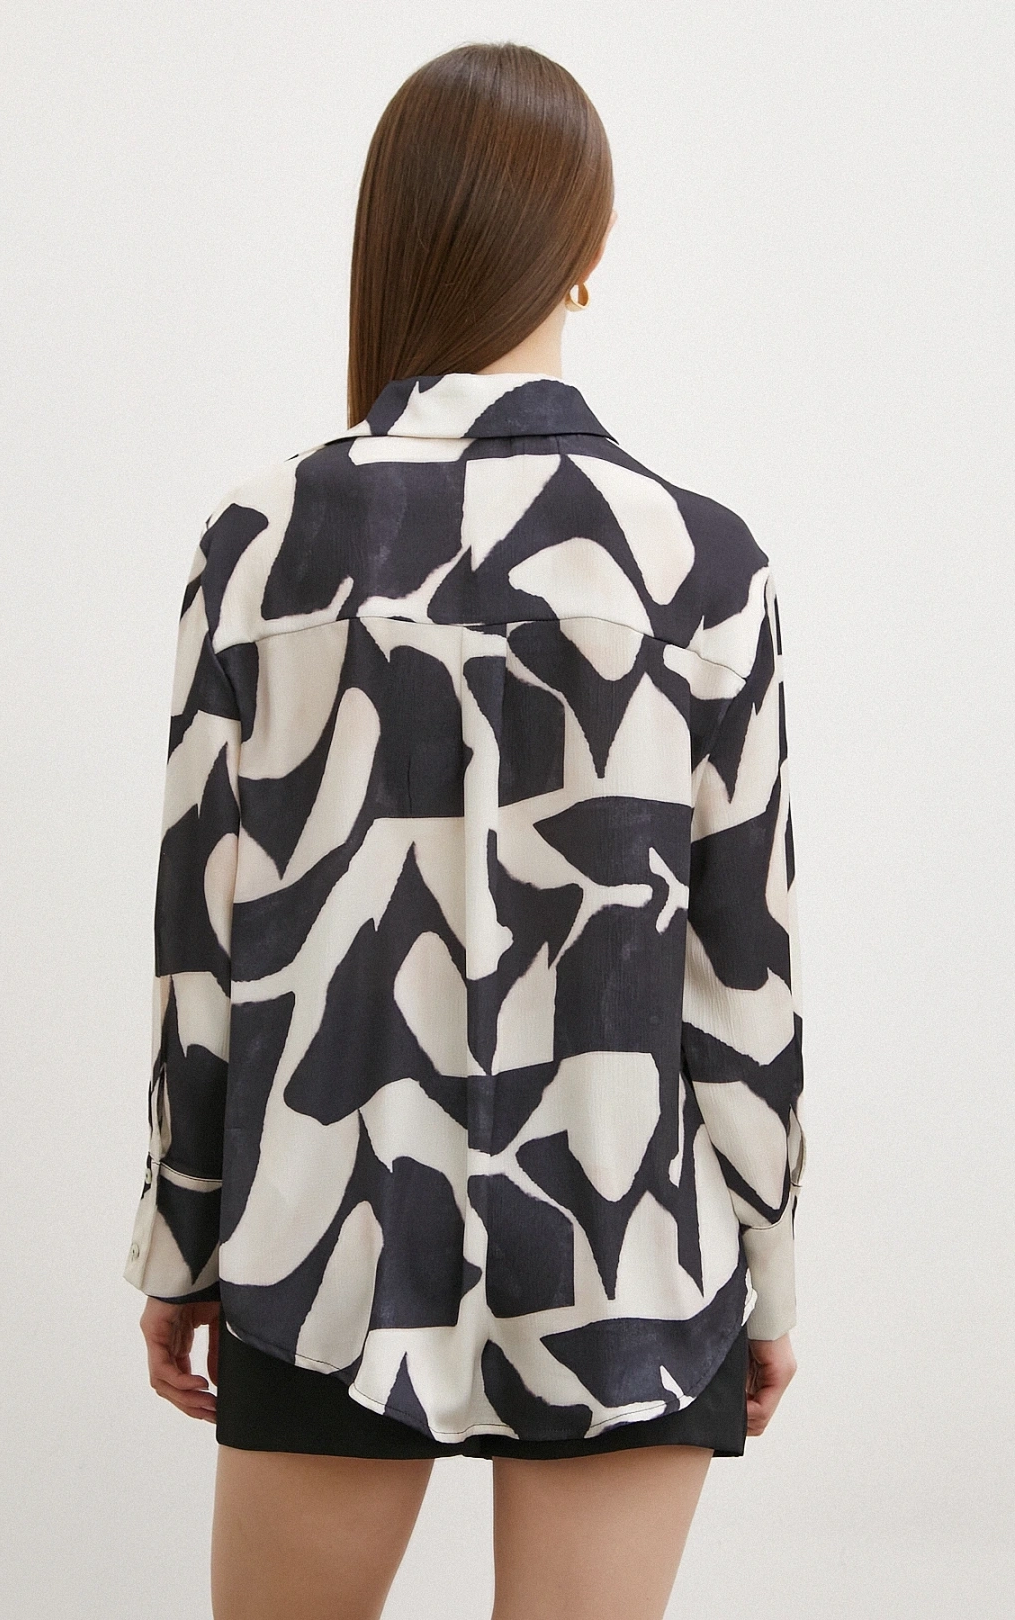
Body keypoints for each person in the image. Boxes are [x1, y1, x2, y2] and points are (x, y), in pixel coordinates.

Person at [123, 40, 805, 1620]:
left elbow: (201, 944)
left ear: (394, 241)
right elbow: (743, 976)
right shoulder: (705, 567)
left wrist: (181, 1245)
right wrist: (766, 1280)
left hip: (325, 1246)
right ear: (586, 253)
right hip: (627, 1260)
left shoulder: (262, 543)